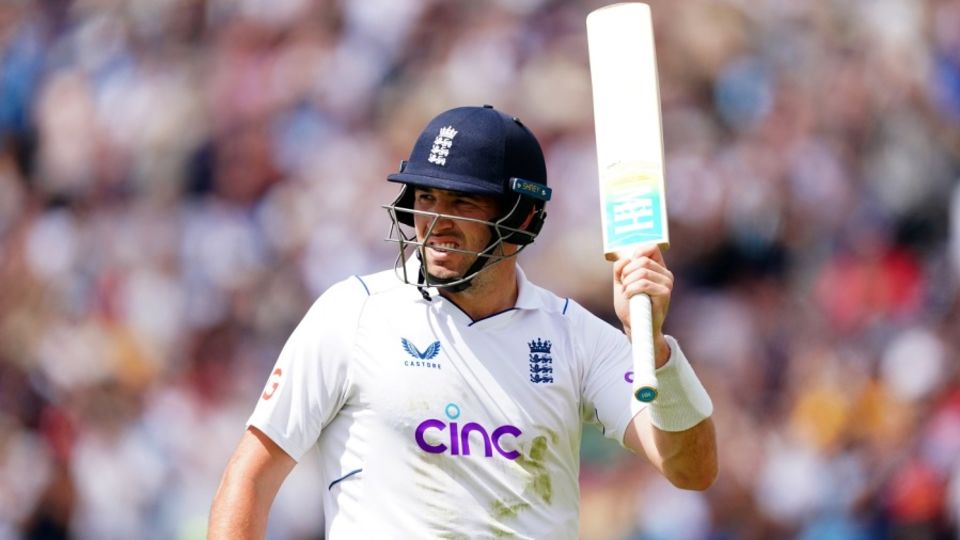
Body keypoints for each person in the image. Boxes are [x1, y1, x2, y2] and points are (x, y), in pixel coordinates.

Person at [208, 105, 717, 539]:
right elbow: (251, 476)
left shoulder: (573, 337)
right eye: (426, 198)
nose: (436, 223)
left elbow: (692, 469)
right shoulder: (353, 313)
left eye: (462, 202)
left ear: (521, 219)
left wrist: (653, 346)